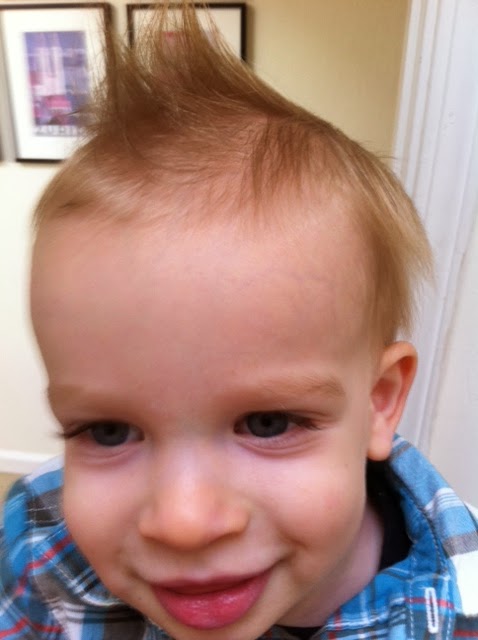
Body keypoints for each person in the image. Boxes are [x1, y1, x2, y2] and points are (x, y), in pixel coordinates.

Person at [1, 3, 477, 639]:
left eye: (267, 423)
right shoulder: (39, 544)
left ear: (379, 401)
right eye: (108, 432)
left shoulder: (460, 605)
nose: (183, 522)